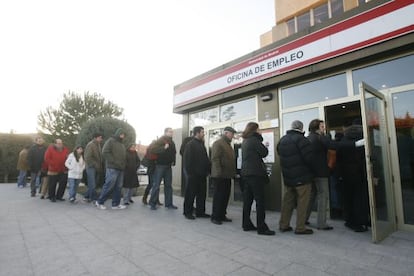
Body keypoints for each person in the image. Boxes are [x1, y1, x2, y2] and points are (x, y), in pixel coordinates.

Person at [277, 120, 314, 235]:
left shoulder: (282, 140)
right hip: (302, 178)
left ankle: (283, 225)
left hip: (288, 177)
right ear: (301, 128)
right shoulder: (302, 140)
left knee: (287, 202)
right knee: (302, 203)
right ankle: (300, 227)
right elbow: (309, 158)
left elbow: (280, 155)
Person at [240, 122, 275, 235]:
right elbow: (264, 152)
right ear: (255, 130)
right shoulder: (254, 140)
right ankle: (262, 227)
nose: (260, 131)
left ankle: (246, 224)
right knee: (260, 201)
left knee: (248, 201)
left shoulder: (245, 140)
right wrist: (261, 140)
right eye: (259, 129)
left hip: (246, 173)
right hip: (255, 174)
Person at [336, 119, 368, 232]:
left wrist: (339, 175)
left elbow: (338, 158)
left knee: (349, 199)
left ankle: (352, 221)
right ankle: (360, 220)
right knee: (359, 199)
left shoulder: (345, 140)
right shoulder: (362, 140)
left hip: (347, 175)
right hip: (359, 174)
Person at [305, 119, 334, 230]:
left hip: (311, 172)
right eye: (322, 127)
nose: (324, 128)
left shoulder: (308, 138)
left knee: (312, 196)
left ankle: (304, 218)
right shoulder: (319, 138)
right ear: (317, 128)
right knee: (323, 196)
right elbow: (333, 145)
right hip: (321, 172)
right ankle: (321, 223)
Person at [183, 126, 211, 219]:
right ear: (197, 133)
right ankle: (187, 212)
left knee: (202, 195)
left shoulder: (202, 144)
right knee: (190, 194)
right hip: (193, 175)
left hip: (202, 175)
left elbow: (205, 159)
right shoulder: (190, 144)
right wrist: (190, 173)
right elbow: (187, 160)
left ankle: (200, 212)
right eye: (202, 132)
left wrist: (208, 170)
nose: (204, 134)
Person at [210, 126, 236, 225]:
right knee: (219, 197)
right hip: (220, 176)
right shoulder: (218, 143)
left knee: (225, 196)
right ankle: (215, 216)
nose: (233, 136)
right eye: (231, 133)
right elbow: (215, 159)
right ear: (226, 133)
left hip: (227, 175)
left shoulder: (228, 144)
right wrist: (218, 173)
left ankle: (222, 215)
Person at [96, 128, 127, 210]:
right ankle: (99, 202)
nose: (122, 136)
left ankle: (115, 204)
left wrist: (123, 165)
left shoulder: (122, 145)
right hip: (112, 167)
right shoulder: (111, 141)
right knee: (109, 185)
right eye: (121, 134)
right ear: (118, 133)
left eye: (124, 134)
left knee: (119, 187)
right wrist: (113, 161)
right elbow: (105, 152)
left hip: (121, 169)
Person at [148, 127, 178, 210]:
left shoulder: (172, 141)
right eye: (170, 132)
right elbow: (153, 150)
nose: (172, 133)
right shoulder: (161, 140)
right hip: (160, 166)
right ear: (165, 132)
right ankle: (152, 203)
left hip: (168, 166)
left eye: (172, 132)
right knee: (156, 185)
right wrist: (163, 148)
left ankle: (169, 204)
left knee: (168, 186)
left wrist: (173, 162)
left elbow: (174, 153)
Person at [83, 133, 103, 203]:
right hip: (91, 167)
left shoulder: (98, 145)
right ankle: (93, 198)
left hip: (96, 167)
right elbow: (87, 157)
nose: (101, 139)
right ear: (96, 138)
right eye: (100, 137)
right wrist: (94, 164)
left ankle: (86, 196)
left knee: (92, 183)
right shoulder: (91, 145)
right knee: (92, 183)